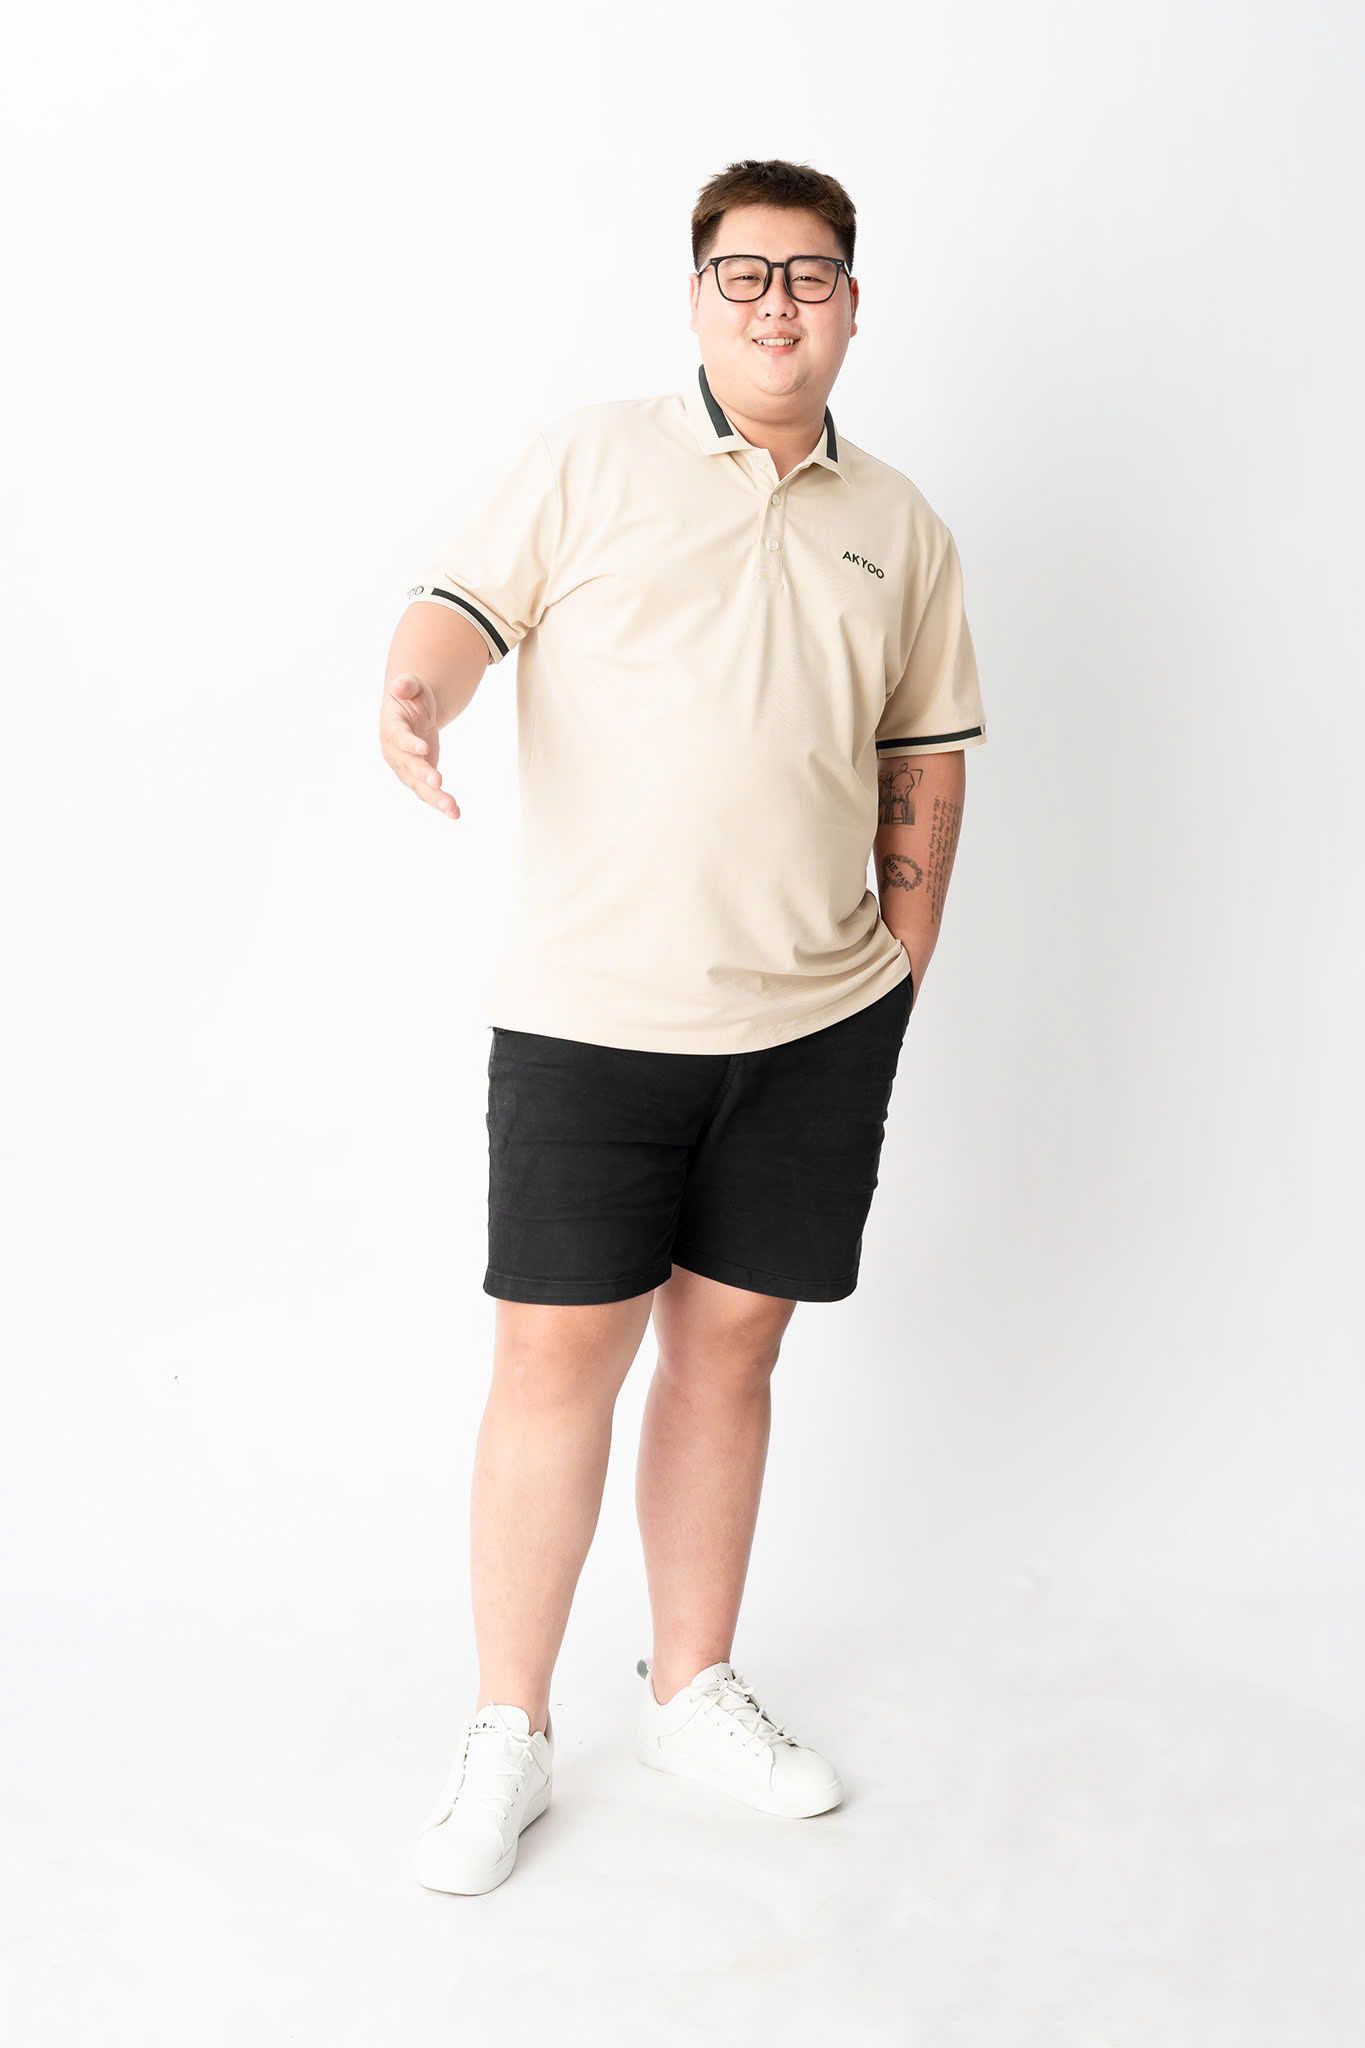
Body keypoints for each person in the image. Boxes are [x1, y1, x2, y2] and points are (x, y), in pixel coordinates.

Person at [380, 158, 987, 1896]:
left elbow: (922, 757)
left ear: (851, 304)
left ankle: (689, 1686)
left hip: (817, 1024)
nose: (776, 304)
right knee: (555, 1358)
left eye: (809, 275)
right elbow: (460, 613)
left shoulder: (901, 524)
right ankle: (510, 1728)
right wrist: (414, 694)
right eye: (744, 274)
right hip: (594, 1016)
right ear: (698, 296)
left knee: (730, 1351)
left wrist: (899, 968)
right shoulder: (592, 460)